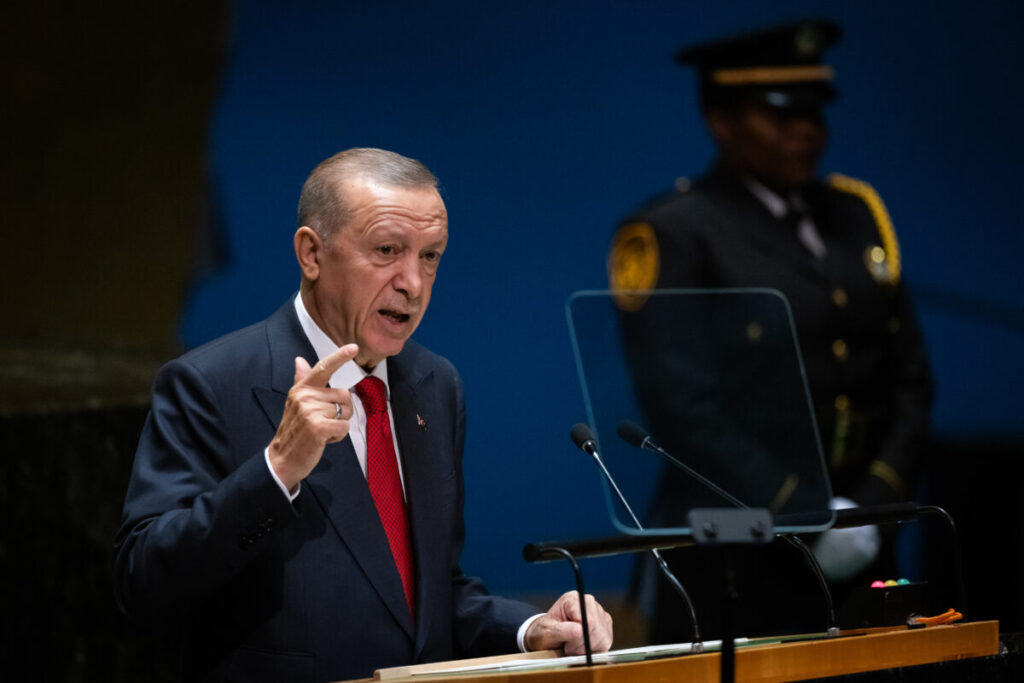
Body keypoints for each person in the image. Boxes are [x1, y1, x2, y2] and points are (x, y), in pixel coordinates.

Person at [114, 148, 613, 682]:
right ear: (312, 253)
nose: (413, 284)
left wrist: (533, 628)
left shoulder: (435, 384)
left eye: (430, 256)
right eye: (387, 250)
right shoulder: (210, 383)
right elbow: (143, 583)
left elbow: (426, 598)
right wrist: (276, 470)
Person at [608, 20, 933, 640]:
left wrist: (868, 508)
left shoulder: (855, 212)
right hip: (737, 548)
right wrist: (809, 514)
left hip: (864, 539)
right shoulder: (676, 231)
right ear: (721, 121)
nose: (806, 130)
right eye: (780, 116)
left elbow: (909, 380)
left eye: (814, 113)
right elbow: (683, 408)